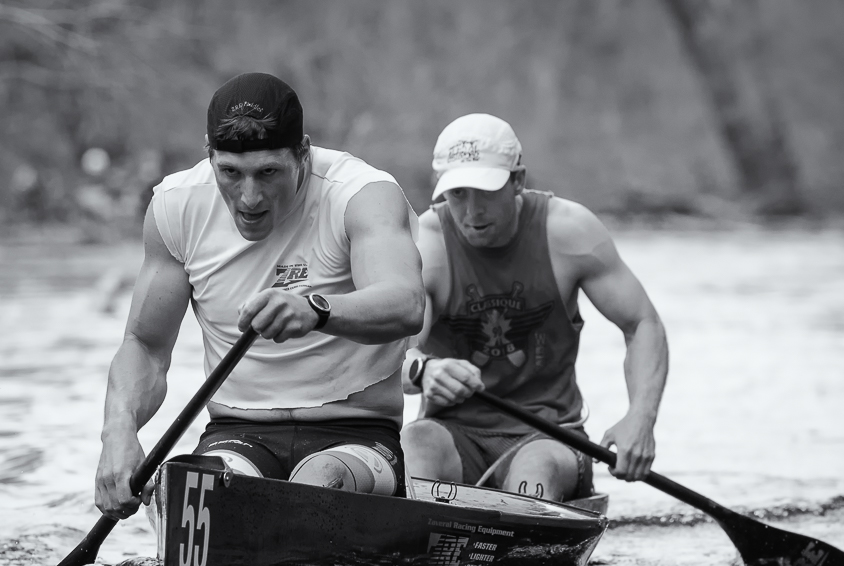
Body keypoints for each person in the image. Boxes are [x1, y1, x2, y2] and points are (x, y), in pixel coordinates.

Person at [95, 73, 425, 520]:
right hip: (236, 432)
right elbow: (146, 349)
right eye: (230, 173)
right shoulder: (176, 207)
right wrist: (118, 431)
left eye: (268, 172)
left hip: (356, 435)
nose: (249, 197)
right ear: (209, 155)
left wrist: (316, 310)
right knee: (188, 491)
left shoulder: (363, 195)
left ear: (303, 153)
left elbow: (405, 305)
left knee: (314, 483)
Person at [402, 113, 668, 502]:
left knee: (533, 471)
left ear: (518, 181)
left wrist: (640, 419)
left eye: (486, 191)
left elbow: (642, 324)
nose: (472, 212)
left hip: (549, 435)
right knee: (414, 441)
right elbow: (389, 360)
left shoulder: (570, 232)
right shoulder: (427, 245)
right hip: (452, 434)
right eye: (458, 193)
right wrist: (423, 370)